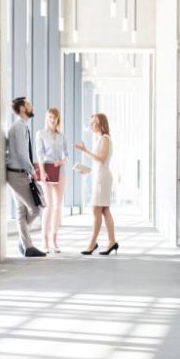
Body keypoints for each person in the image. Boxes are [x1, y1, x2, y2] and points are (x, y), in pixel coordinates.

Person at [74, 113, 119, 256]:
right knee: (104, 210)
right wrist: (87, 171)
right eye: (91, 122)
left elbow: (101, 158)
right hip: (100, 176)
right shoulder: (100, 139)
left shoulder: (105, 139)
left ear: (101, 124)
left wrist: (85, 150)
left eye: (94, 122)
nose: (91, 125)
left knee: (96, 210)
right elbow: (99, 163)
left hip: (102, 178)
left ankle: (92, 244)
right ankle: (111, 242)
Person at [6, 97, 46, 258]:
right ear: (22, 108)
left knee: (22, 211)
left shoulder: (20, 126)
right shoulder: (19, 127)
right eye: (29, 104)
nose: (32, 106)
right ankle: (24, 243)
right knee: (35, 209)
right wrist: (33, 172)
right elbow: (22, 154)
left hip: (16, 172)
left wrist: (30, 166)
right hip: (17, 174)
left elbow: (21, 153)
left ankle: (26, 244)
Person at [36, 108, 69, 253]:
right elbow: (39, 153)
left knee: (57, 207)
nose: (52, 120)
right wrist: (42, 171)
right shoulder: (41, 134)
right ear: (46, 118)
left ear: (58, 119)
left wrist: (62, 161)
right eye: (50, 117)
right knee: (49, 205)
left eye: (55, 118)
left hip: (60, 172)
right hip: (47, 172)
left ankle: (55, 240)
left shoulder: (61, 136)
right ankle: (45, 240)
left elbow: (66, 154)